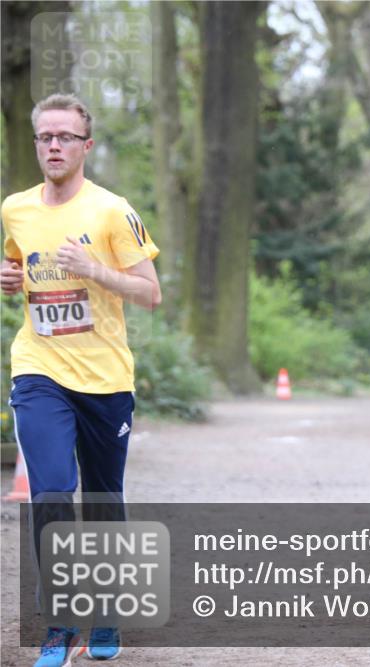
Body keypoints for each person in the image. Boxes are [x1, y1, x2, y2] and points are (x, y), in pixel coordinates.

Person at [1, 93, 161, 666]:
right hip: (39, 366)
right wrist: (9, 277)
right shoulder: (14, 208)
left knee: (102, 500)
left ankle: (107, 613)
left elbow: (150, 292)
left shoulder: (113, 211)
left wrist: (95, 269)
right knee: (48, 492)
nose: (53, 146)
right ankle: (60, 622)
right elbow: (20, 265)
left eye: (65, 137)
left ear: (85, 146)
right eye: (45, 136)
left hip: (105, 377)